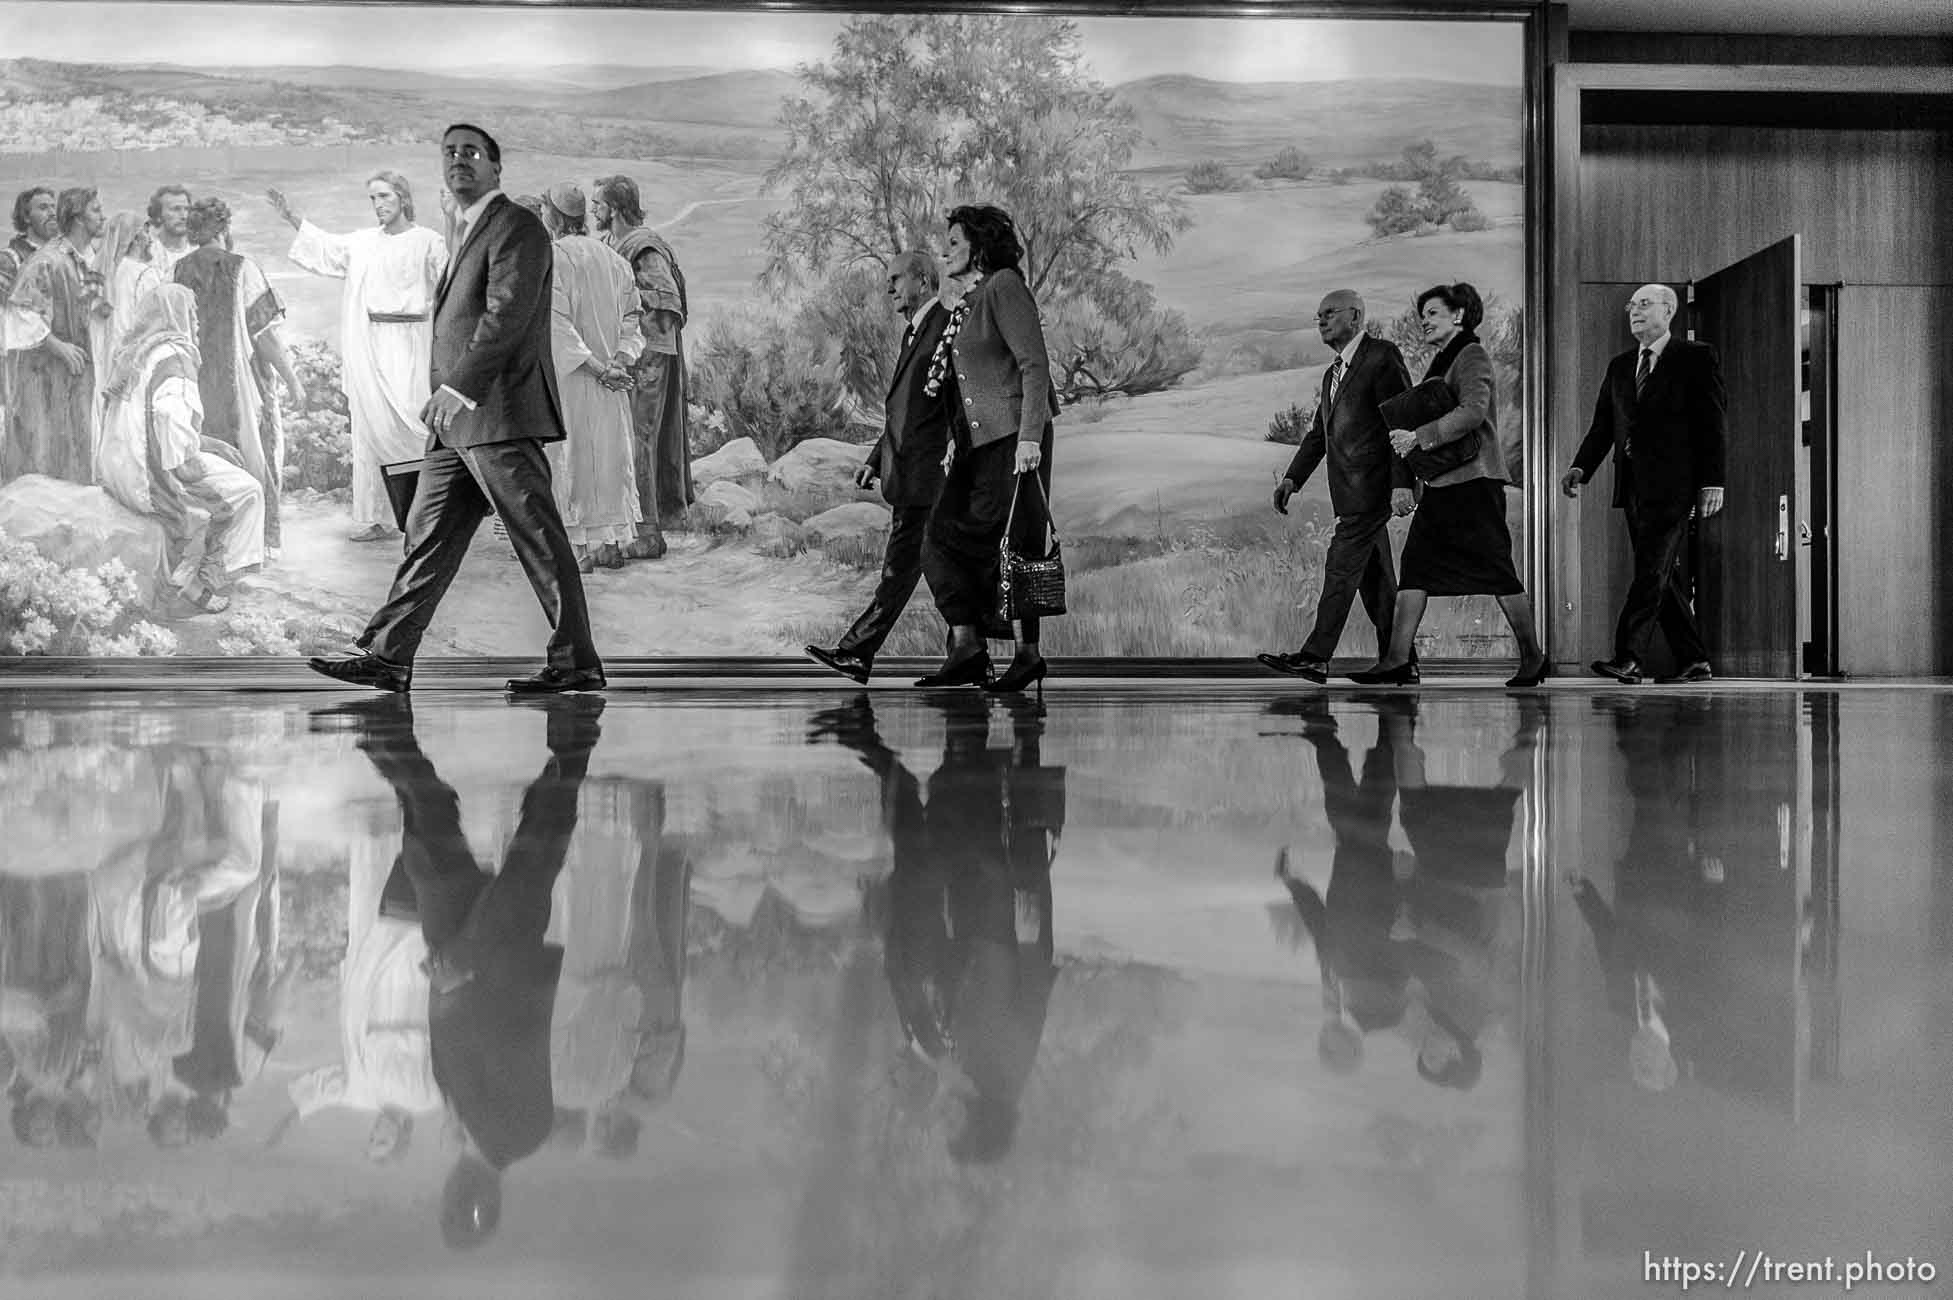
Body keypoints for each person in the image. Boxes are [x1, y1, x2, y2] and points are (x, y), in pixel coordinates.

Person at [307, 123, 606, 696]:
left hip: (498, 416)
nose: (458, 160)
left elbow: (506, 315)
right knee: (428, 539)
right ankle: (387, 657)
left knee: (538, 539)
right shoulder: (471, 230)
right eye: (449, 153)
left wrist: (459, 387)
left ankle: (577, 663)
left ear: (496, 167)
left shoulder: (517, 226)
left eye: (471, 152)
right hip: (458, 427)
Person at [324, 693, 597, 1248]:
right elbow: (517, 1031)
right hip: (496, 947)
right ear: (474, 1199)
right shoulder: (519, 1134)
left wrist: (447, 976)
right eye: (459, 1203)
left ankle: (390, 736)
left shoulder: (469, 1127)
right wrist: (469, 968)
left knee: (428, 845)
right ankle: (577, 725)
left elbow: (461, 1047)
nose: (453, 1192)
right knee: (540, 834)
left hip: (457, 951)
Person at [1353, 282, 1547, 688]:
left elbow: (1473, 412)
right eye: (1423, 315)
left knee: (1497, 570)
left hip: (1474, 485)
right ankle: (1396, 661)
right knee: (1417, 569)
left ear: (1459, 316)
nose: (1424, 321)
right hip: (1447, 485)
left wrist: (1418, 437)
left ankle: (1533, 657)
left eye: (1433, 314)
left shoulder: (1471, 355)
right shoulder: (1446, 358)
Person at [919, 204, 1063, 695]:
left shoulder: (1004, 287)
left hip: (1014, 440)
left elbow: (1034, 366)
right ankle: (967, 648)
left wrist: (1029, 439)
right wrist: (957, 440)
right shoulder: (975, 296)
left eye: (955, 243)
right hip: (980, 444)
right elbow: (969, 381)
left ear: (979, 246)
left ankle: (1026, 658)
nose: (945, 251)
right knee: (942, 536)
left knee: (1016, 544)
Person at [1562, 282, 1728, 685]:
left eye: (1644, 303)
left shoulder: (1695, 357)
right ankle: (1694, 660)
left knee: (1651, 569)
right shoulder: (1621, 366)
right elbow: (1604, 426)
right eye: (1631, 305)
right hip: (1633, 486)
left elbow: (1713, 423)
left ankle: (1629, 657)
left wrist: (1713, 482)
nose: (1634, 310)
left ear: (1669, 311)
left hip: (1676, 485)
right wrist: (1581, 467)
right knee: (1661, 573)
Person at [270, 173, 449, 542]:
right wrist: (291, 216)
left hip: (413, 344)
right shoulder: (364, 242)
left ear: (402, 196)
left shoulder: (428, 241)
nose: (378, 205)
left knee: (414, 424)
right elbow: (325, 247)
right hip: (370, 345)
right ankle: (376, 517)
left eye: (384, 196)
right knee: (370, 430)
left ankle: (427, 516)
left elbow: (451, 286)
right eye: (372, 199)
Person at [805, 250, 956, 683]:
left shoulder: (945, 329)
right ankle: (970, 650)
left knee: (905, 568)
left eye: (896, 279)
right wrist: (875, 460)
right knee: (925, 568)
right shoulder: (917, 332)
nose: (889, 288)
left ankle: (858, 652)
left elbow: (948, 409)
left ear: (924, 282)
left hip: (929, 476)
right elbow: (904, 413)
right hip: (910, 473)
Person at [1259, 290, 1415, 682]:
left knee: (1340, 569)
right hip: (1350, 494)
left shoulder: (1382, 357)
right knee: (1378, 585)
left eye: (1329, 313)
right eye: (1318, 316)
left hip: (1373, 490)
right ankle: (1401, 663)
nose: (1322, 321)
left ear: (1356, 317)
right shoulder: (1333, 373)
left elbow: (1401, 422)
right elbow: (1317, 435)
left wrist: (1402, 484)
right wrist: (1292, 479)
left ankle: (1315, 656)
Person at [96, 286, 265, 614]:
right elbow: (170, 421)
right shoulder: (176, 358)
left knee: (223, 467)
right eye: (192, 313)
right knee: (249, 491)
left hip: (120, 468)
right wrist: (188, 470)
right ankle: (199, 584)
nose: (197, 321)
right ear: (176, 316)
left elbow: (145, 422)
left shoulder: (139, 352)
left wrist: (207, 444)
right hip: (152, 476)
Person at [172, 196, 304, 552]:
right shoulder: (243, 268)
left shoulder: (179, 269)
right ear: (224, 228)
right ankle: (258, 541)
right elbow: (265, 336)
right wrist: (291, 379)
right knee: (256, 451)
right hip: (241, 385)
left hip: (198, 381)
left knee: (210, 458)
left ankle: (218, 542)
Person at [537, 182, 643, 572]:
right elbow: (633, 318)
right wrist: (619, 362)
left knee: (573, 460)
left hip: (573, 378)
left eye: (545, 208)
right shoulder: (614, 259)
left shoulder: (554, 256)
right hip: (610, 380)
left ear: (554, 215)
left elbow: (556, 324)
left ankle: (579, 553)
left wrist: (601, 368)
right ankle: (605, 545)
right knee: (607, 459)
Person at [593, 175, 693, 559]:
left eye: (598, 203)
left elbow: (667, 303)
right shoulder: (611, 244)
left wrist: (623, 293)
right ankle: (628, 525)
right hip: (625, 357)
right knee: (621, 441)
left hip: (649, 357)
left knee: (640, 440)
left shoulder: (645, 247)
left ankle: (649, 532)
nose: (593, 210)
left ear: (616, 208)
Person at [2, 186, 108, 485]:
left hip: (76, 372)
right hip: (44, 373)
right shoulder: (47, 260)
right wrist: (58, 346)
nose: (103, 217)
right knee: (44, 445)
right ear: (77, 219)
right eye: (96, 211)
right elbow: (19, 313)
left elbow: (89, 304)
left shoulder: (82, 258)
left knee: (77, 440)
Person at [88, 211, 165, 450]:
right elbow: (155, 323)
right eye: (145, 232)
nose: (150, 239)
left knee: (106, 416)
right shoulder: (146, 274)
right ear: (134, 238)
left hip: (103, 357)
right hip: (133, 355)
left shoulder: (99, 274)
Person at [145, 185, 195, 278]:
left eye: (187, 209)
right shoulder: (148, 252)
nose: (184, 216)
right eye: (176, 209)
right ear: (159, 214)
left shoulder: (197, 250)